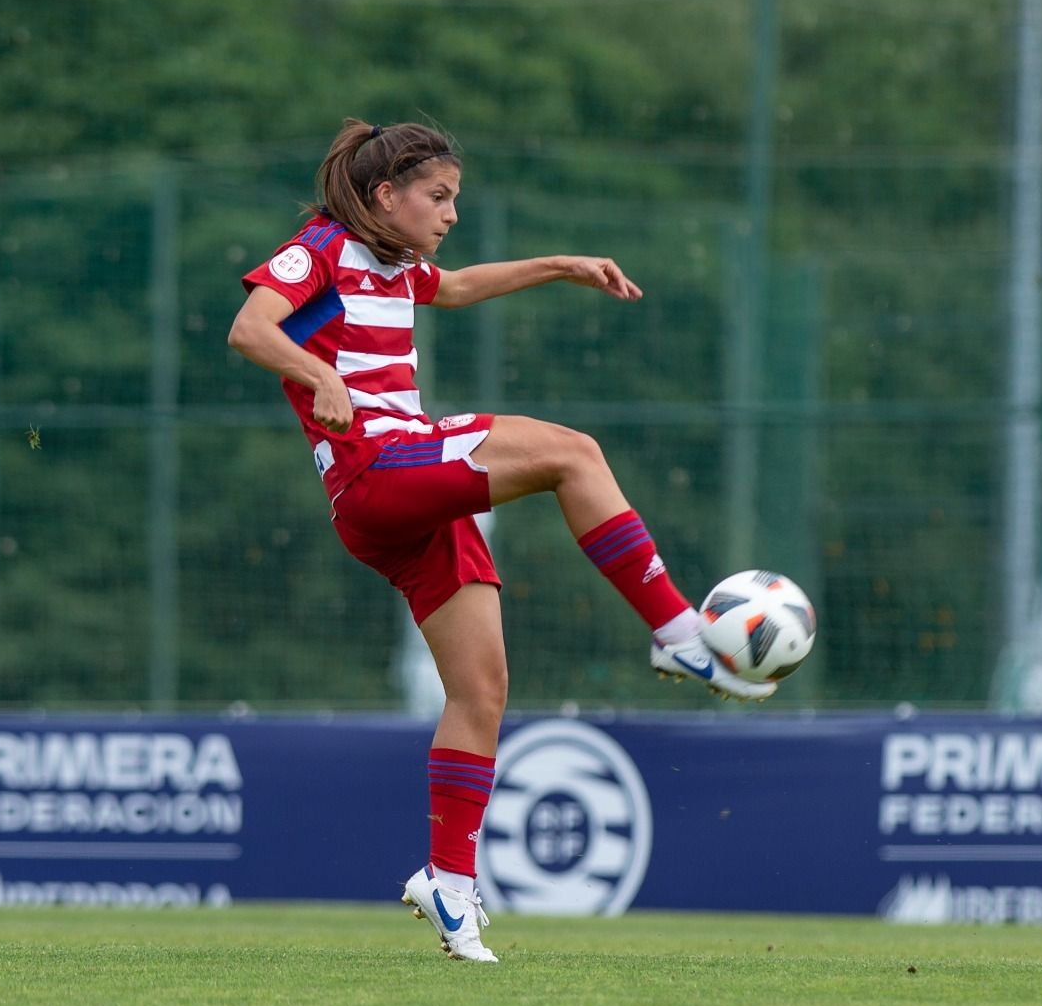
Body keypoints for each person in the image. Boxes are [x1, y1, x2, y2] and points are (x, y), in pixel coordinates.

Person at [228, 118, 777, 963]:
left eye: (455, 200)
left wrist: (560, 265)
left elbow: (454, 288)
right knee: (573, 453)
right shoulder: (321, 249)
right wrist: (320, 374)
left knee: (480, 691)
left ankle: (448, 886)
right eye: (438, 198)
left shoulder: (400, 267)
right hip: (380, 468)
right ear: (386, 196)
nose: (449, 215)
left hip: (405, 504)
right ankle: (678, 635)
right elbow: (251, 328)